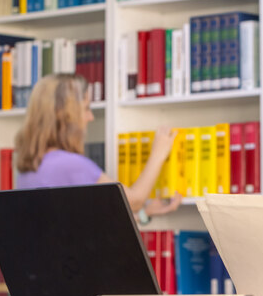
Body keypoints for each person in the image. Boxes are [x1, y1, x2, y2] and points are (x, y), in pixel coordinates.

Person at [14, 73, 181, 223]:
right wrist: (159, 153)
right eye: (86, 108)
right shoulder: (70, 165)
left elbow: (82, 223)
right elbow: (135, 201)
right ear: (65, 115)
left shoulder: (30, 167)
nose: (90, 117)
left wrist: (145, 214)